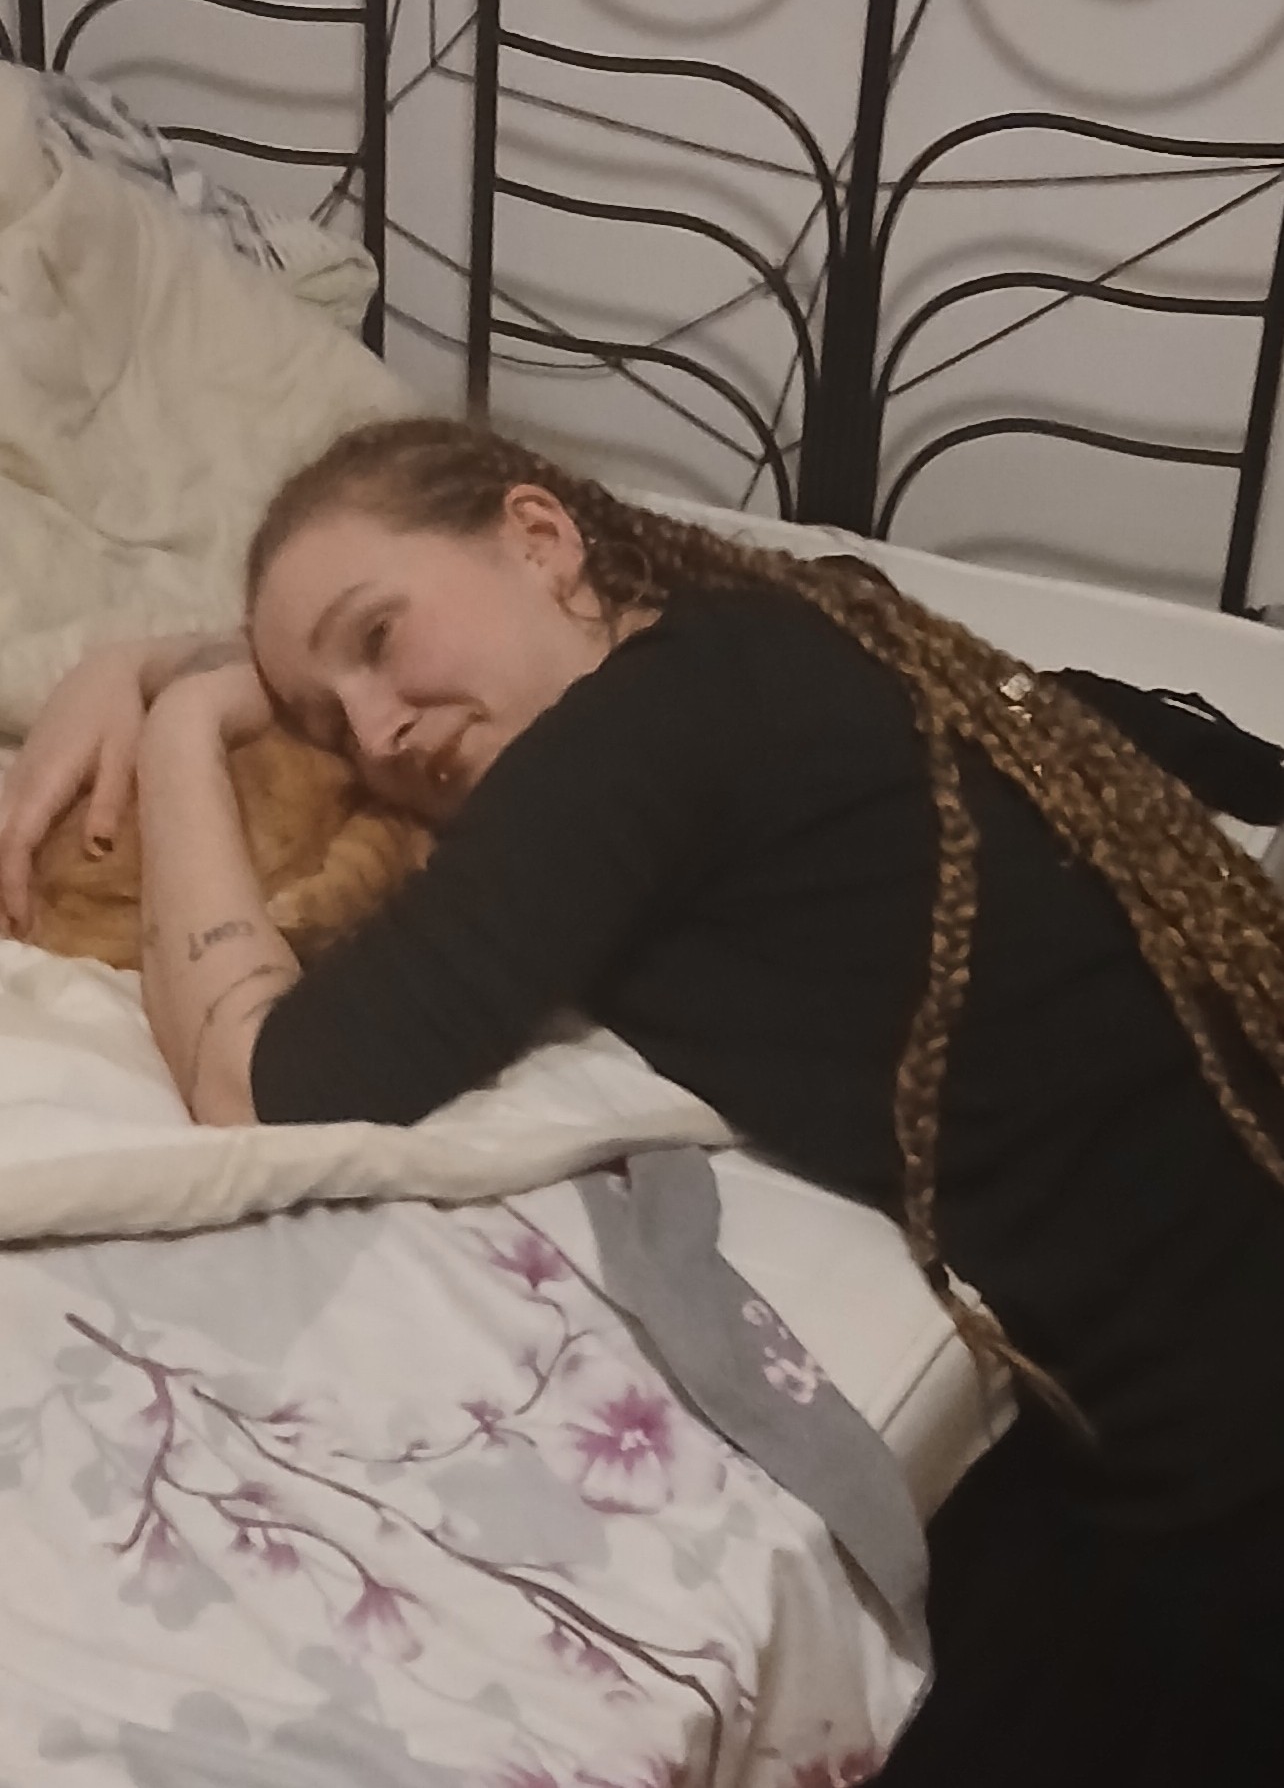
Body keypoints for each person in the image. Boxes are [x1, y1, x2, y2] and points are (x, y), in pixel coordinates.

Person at [1, 415, 1283, 1783]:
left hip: (1225, 1456)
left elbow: (257, 1081)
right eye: (323, 721)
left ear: (541, 538)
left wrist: (183, 724)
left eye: (379, 637)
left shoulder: (633, 740)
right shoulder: (777, 625)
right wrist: (141, 661)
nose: (373, 733)